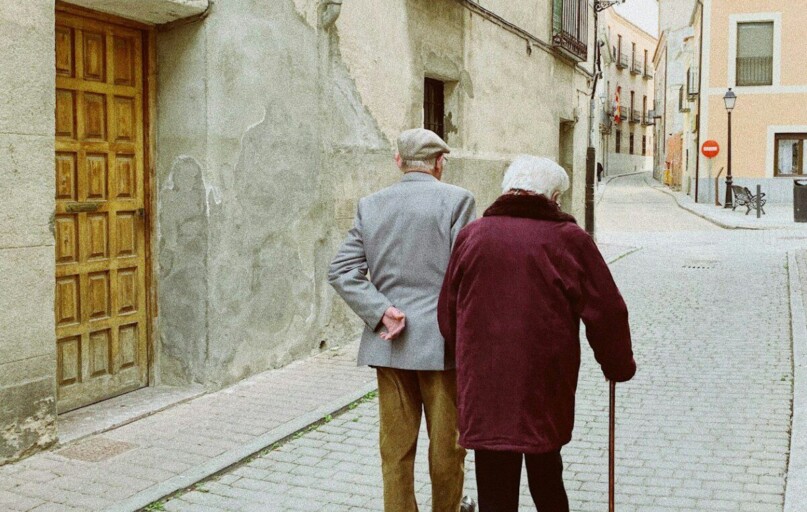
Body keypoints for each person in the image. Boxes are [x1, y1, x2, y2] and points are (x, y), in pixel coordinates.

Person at [437, 155, 636, 512]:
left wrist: (466, 356)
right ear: (554, 197)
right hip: (543, 385)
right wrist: (617, 364)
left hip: (486, 387)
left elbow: (447, 313)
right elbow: (608, 311)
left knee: (494, 484)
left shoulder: (472, 236)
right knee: (546, 473)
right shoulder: (568, 239)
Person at [329, 128, 477, 512]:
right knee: (447, 448)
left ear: (398, 161)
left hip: (390, 342)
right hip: (442, 347)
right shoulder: (458, 200)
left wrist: (380, 310)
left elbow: (341, 270)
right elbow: (467, 273)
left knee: (394, 450)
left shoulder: (371, 204)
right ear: (440, 163)